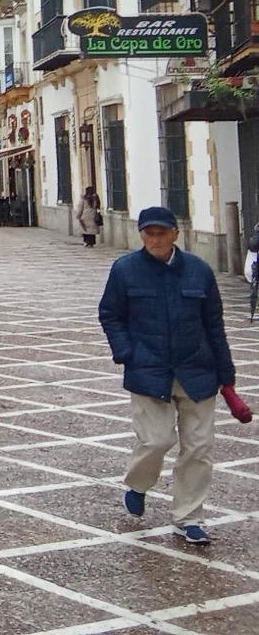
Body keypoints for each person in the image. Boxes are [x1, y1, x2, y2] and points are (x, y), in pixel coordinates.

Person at [97, 206, 236, 545]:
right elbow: (110, 314)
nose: (155, 239)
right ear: (141, 235)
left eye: (161, 232)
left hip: (197, 371)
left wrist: (226, 372)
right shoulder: (125, 270)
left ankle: (189, 517)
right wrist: (127, 352)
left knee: (199, 448)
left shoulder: (199, 271)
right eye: (149, 233)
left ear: (176, 234)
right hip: (149, 371)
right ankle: (138, 483)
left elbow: (214, 324)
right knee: (156, 440)